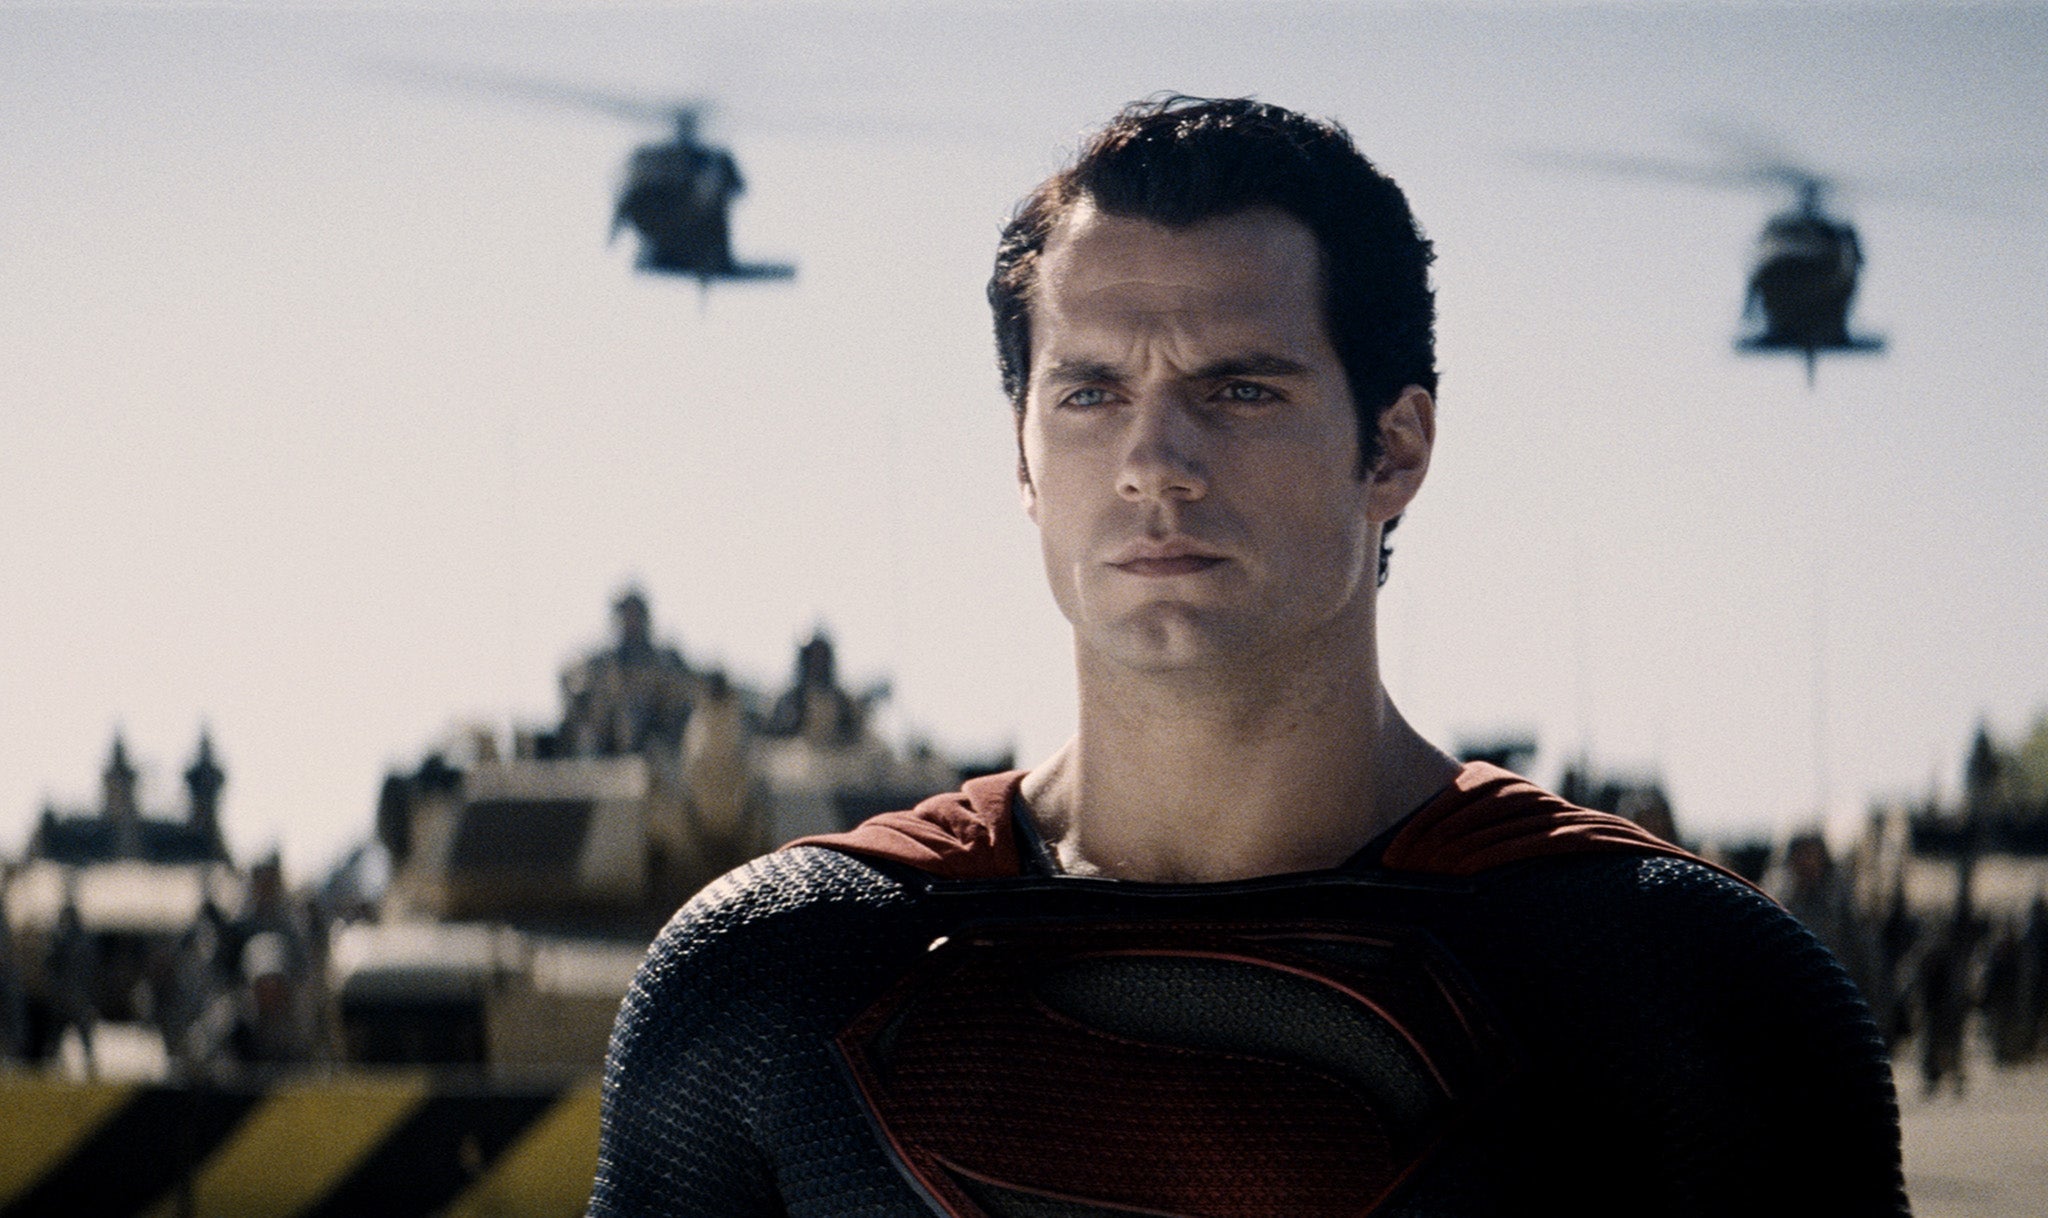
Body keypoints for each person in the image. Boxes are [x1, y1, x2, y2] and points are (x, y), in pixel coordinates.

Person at [590, 97, 1908, 1218]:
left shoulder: (1685, 989)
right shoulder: (772, 979)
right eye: (1092, 392)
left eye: (1240, 389)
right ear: (1023, 462)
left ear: (1395, 448)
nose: (1156, 462)